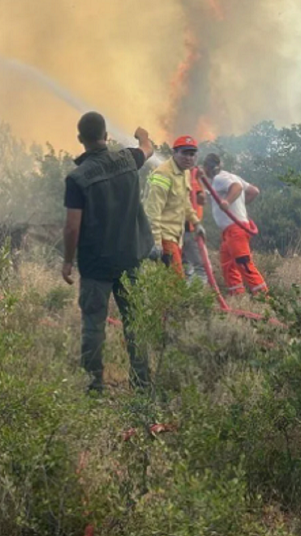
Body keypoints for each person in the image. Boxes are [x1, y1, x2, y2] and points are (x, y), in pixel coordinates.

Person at [62, 111, 155, 393]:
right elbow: (148, 150)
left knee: (93, 325)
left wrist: (67, 261)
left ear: (81, 139)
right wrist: (143, 135)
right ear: (106, 136)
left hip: (95, 265)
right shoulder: (128, 159)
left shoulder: (77, 178)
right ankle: (142, 384)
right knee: (135, 322)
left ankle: (94, 385)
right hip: (129, 259)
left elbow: (72, 228)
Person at [202, 153, 267, 297]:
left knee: (244, 265)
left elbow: (237, 188)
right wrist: (239, 207)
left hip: (235, 230)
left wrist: (228, 202)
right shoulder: (231, 176)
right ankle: (237, 297)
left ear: (206, 168)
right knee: (228, 266)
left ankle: (265, 300)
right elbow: (254, 191)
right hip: (230, 232)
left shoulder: (219, 179)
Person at [143, 135, 205, 277]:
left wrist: (196, 223)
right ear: (174, 153)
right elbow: (153, 211)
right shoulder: (163, 175)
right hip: (164, 237)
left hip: (177, 237)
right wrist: (157, 242)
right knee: (176, 284)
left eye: (192, 154)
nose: (189, 158)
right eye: (184, 153)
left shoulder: (185, 173)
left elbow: (185, 203)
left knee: (169, 283)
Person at [181, 165, 208, 283]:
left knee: (185, 266)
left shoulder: (179, 177)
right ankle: (195, 298)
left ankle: (183, 295)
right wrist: (199, 180)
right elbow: (201, 199)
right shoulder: (191, 179)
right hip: (190, 228)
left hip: (179, 228)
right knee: (200, 268)